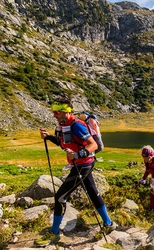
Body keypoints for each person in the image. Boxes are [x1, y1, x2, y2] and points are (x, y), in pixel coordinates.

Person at [35, 97, 116, 246]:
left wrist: (78, 155)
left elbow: (93, 145)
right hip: (79, 164)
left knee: (60, 197)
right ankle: (109, 224)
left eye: (57, 112)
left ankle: (54, 233)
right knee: (93, 192)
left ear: (66, 112)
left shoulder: (77, 126)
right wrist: (49, 137)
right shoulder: (62, 125)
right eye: (53, 112)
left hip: (83, 165)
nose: (54, 115)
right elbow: (62, 143)